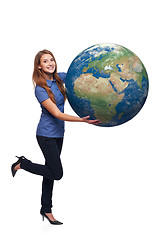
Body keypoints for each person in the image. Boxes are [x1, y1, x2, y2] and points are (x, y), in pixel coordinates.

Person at [11, 49, 100, 225]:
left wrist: (96, 69)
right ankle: (22, 164)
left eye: (51, 60)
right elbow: (57, 114)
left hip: (59, 134)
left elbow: (78, 74)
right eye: (45, 61)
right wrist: (82, 120)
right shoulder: (40, 89)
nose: (50, 63)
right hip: (45, 135)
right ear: (39, 66)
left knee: (50, 173)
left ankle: (46, 209)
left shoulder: (58, 78)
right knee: (56, 173)